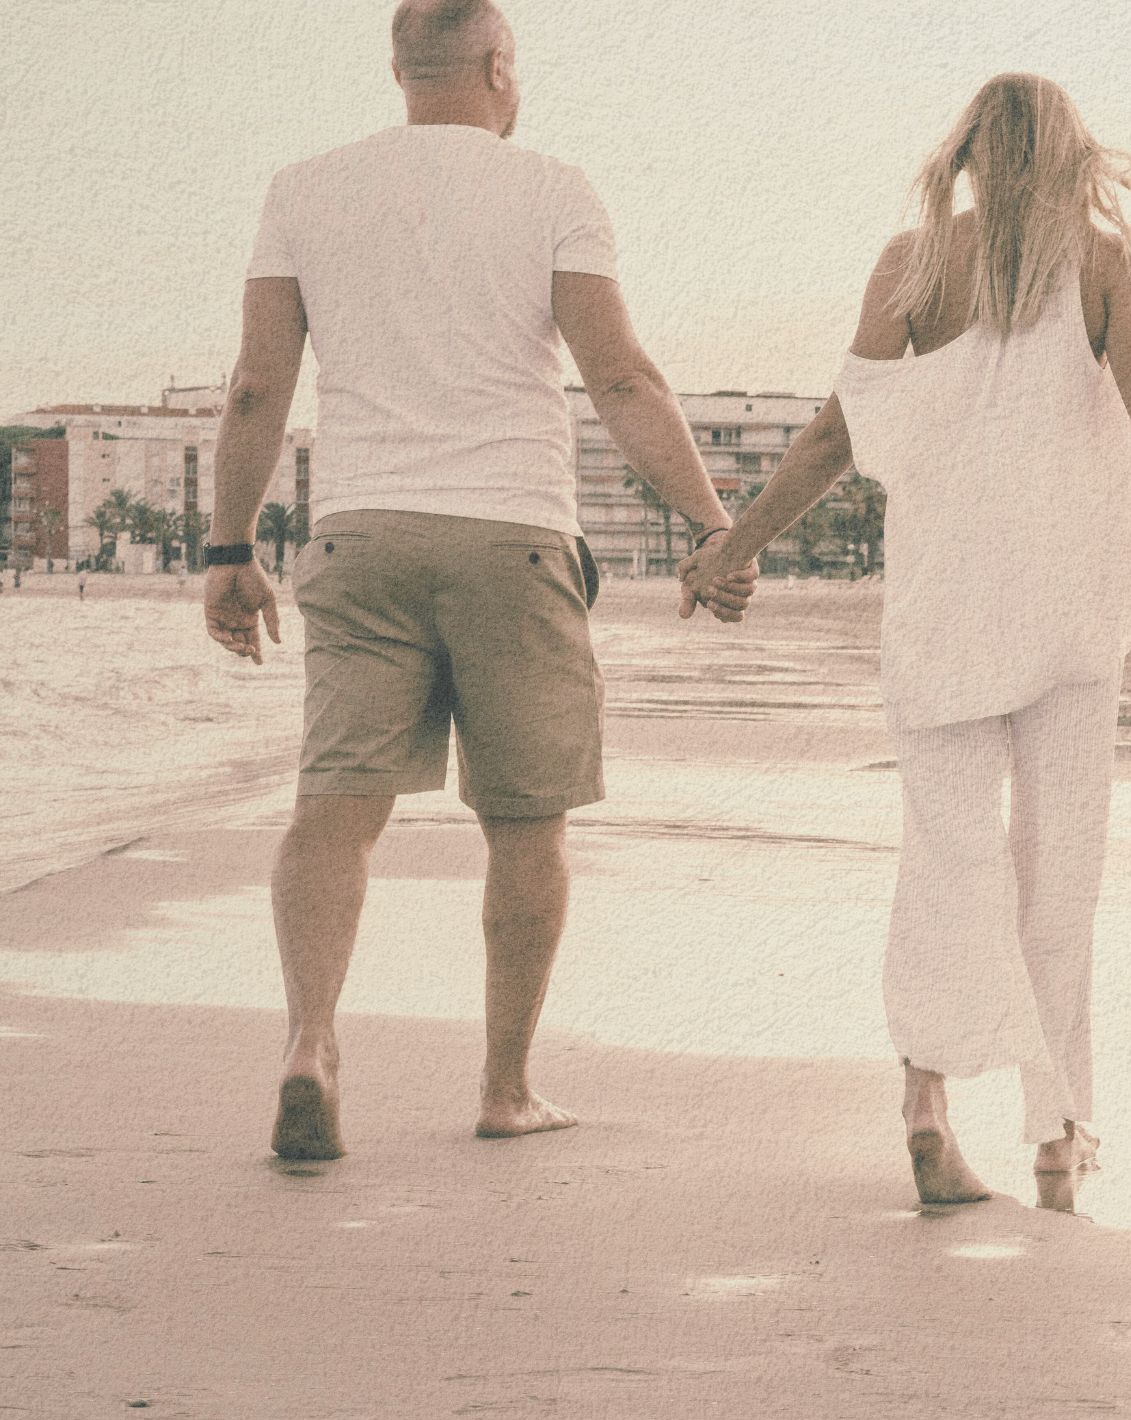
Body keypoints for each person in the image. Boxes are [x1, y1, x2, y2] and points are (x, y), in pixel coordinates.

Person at [679, 74, 1131, 1208]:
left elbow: (835, 436)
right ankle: (1059, 1131)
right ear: (1074, 157)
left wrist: (738, 546)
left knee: (948, 857)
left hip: (940, 609)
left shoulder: (911, 265)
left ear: (968, 155)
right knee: (1058, 871)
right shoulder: (1103, 260)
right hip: (1069, 611)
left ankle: (926, 1103)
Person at [201, 0, 739, 1160]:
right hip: (513, 540)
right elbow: (622, 381)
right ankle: (503, 1087)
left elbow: (256, 386)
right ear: (500, 68)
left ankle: (309, 1043)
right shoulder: (551, 186)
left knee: (333, 812)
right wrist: (709, 523)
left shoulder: (303, 188)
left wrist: (228, 549)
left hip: (361, 535)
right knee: (524, 823)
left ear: (399, 71)